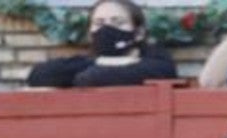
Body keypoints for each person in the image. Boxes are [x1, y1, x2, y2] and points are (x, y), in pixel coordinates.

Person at [26, 0, 176, 89]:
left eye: (117, 22)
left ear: (139, 33)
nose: (107, 29)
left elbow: (92, 78)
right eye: (99, 23)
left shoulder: (158, 62)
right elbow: (38, 75)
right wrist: (102, 62)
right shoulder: (84, 63)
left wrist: (92, 75)